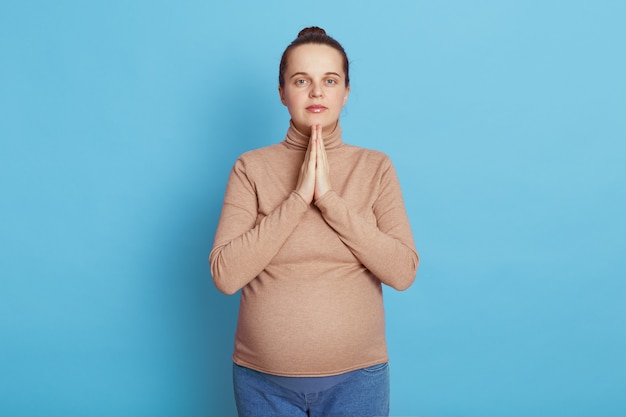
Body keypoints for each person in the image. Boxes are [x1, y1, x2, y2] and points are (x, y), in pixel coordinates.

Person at [209, 26, 419, 417]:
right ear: (282, 93)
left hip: (358, 381)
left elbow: (403, 271)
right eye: (302, 80)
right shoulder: (250, 168)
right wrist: (297, 198)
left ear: (346, 93)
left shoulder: (375, 167)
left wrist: (329, 200)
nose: (317, 92)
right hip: (262, 384)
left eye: (330, 80)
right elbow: (225, 275)